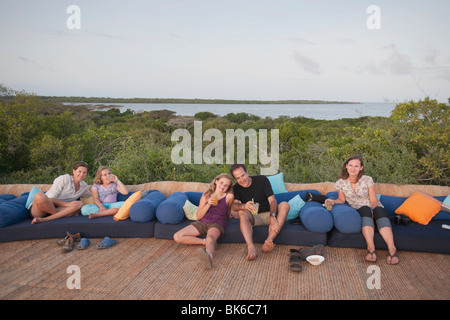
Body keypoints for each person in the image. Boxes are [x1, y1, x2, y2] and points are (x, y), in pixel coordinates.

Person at [325, 155, 399, 265]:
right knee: (364, 209)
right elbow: (341, 199)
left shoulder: (367, 180)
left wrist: (372, 209)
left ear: (361, 168)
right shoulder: (341, 182)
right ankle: (371, 249)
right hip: (359, 210)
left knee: (379, 210)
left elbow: (374, 200)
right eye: (350, 165)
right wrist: (332, 201)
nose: (353, 168)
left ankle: (392, 250)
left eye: (356, 166)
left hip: (373, 208)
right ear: (346, 166)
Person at [229, 164, 290, 261]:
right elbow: (234, 205)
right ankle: (251, 247)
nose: (242, 180)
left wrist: (273, 217)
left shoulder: (262, 180)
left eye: (243, 175)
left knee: (285, 205)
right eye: (238, 178)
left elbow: (272, 201)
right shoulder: (236, 188)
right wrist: (244, 206)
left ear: (247, 173)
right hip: (253, 217)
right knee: (241, 212)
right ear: (235, 179)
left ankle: (269, 241)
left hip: (268, 214)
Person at [173, 173, 234, 269]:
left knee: (210, 238)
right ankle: (205, 242)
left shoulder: (229, 196)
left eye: (226, 185)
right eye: (221, 183)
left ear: (228, 187)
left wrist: (231, 216)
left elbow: (228, 211)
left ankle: (209, 257)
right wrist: (208, 204)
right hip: (202, 222)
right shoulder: (206, 195)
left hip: (217, 223)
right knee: (177, 236)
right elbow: (198, 216)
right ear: (216, 181)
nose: (222, 187)